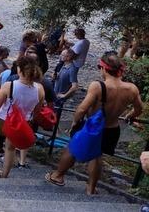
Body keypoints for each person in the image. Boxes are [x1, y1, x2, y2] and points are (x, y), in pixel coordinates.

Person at [45, 52, 143, 193]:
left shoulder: (98, 86)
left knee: (72, 148)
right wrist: (130, 115)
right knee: (97, 156)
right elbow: (139, 109)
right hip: (112, 128)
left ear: (103, 68)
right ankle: (91, 188)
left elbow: (82, 108)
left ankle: (58, 176)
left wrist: (75, 122)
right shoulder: (131, 89)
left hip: (91, 126)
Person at [0, 55, 45, 177]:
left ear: (20, 70)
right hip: (22, 123)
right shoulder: (40, 89)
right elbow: (37, 110)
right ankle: (5, 175)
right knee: (10, 148)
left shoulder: (9, 86)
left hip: (3, 119)